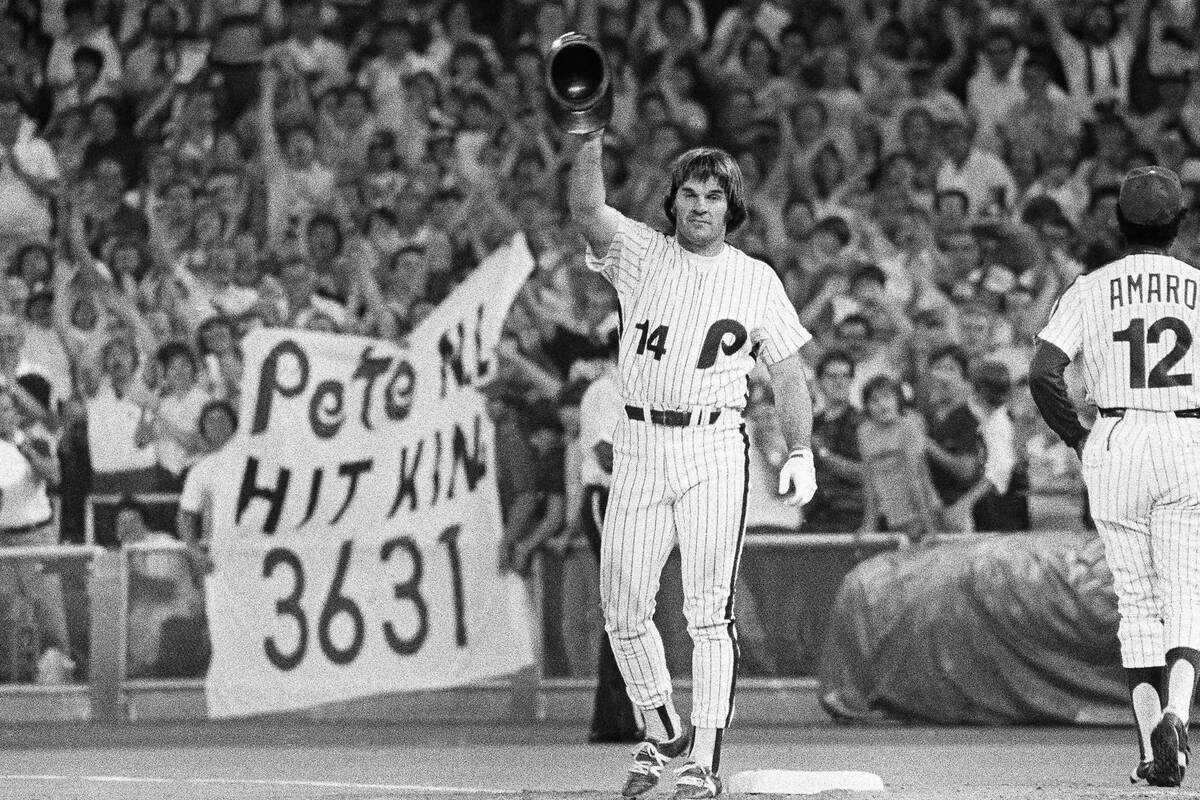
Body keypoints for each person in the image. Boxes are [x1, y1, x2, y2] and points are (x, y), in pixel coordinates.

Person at [567, 131, 816, 798]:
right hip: (641, 442)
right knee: (621, 605)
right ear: (671, 202)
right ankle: (659, 727)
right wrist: (588, 137)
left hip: (712, 445)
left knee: (708, 614)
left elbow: (789, 377)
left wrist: (800, 449)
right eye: (689, 193)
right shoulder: (642, 253)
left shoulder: (756, 277)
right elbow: (588, 211)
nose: (701, 204)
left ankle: (703, 758)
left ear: (730, 207)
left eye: (714, 195)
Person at [1030, 165, 1200, 787]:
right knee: (1185, 591)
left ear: (1119, 223)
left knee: (1136, 599)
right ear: (1180, 225)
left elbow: (1043, 372)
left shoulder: (1089, 287)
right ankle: (1178, 713)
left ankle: (1154, 749)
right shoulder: (1198, 286)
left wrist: (1079, 437)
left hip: (1118, 433)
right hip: (1187, 433)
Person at [577, 333, 643, 744]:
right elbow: (605, 451)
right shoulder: (607, 389)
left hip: (627, 499)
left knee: (627, 607)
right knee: (627, 604)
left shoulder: (636, 389)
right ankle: (629, 715)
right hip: (610, 496)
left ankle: (613, 717)